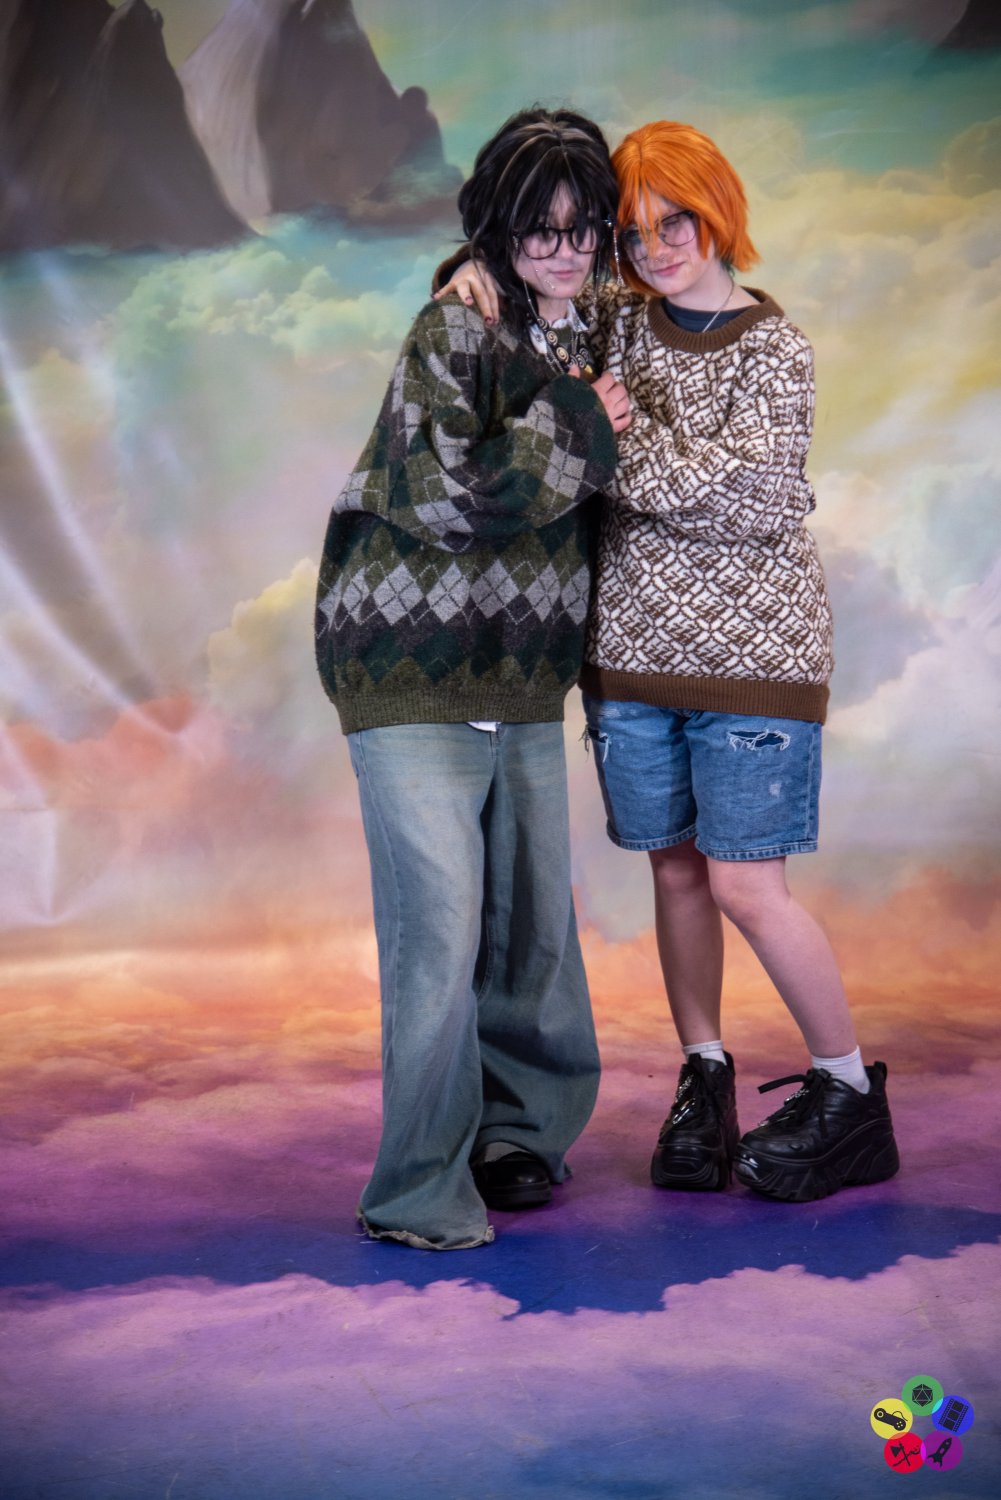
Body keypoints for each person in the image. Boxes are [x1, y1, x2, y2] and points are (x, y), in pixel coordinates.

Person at [438, 119, 899, 1205]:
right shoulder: (615, 319)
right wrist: (465, 271)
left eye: (674, 221)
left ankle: (847, 1093)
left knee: (746, 884)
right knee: (677, 873)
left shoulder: (776, 350)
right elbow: (535, 290)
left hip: (756, 666)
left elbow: (758, 502)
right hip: (629, 667)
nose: (654, 249)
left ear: (717, 209)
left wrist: (609, 440)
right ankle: (705, 1077)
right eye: (633, 233)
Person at [315, 107, 631, 1250]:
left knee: (529, 932)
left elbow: (670, 309)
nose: (563, 250)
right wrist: (581, 420)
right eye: (537, 229)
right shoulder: (450, 326)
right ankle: (414, 1192)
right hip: (410, 666)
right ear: (496, 228)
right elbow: (449, 491)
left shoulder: (582, 321)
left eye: (582, 228)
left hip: (520, 672)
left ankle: (517, 1139)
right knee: (440, 936)